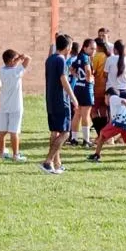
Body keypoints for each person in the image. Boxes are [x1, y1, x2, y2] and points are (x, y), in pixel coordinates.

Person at [41, 34, 78, 174]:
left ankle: (57, 163)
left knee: (55, 132)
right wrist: (73, 98)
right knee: (65, 133)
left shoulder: (49, 59)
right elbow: (64, 81)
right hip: (61, 100)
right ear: (68, 47)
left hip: (50, 99)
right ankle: (48, 161)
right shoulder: (61, 60)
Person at [0, 49, 31, 161]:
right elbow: (28, 59)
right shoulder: (16, 71)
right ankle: (16, 154)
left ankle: (1, 153)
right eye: (15, 59)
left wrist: (17, 58)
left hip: (3, 105)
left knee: (1, 131)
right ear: (12, 60)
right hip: (16, 105)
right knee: (14, 131)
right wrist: (22, 56)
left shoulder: (1, 70)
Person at [70, 39, 96, 148]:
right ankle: (86, 140)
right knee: (86, 115)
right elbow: (88, 70)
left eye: (94, 48)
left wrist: (76, 76)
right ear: (85, 48)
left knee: (77, 114)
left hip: (78, 87)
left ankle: (74, 138)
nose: (93, 51)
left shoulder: (79, 57)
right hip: (86, 88)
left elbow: (71, 68)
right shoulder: (86, 58)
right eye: (91, 48)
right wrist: (89, 79)